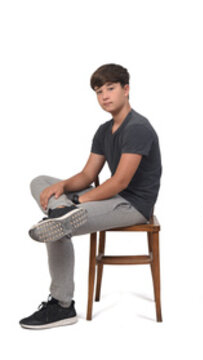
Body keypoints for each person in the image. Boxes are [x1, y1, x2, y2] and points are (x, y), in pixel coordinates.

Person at [21, 64, 162, 330]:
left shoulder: (138, 127)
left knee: (57, 229)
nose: (104, 96)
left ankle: (62, 306)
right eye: (99, 91)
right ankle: (60, 212)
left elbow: (120, 181)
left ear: (126, 89)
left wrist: (77, 202)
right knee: (40, 182)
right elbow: (87, 175)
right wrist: (61, 187)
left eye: (110, 88)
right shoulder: (102, 130)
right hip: (108, 196)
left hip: (131, 204)